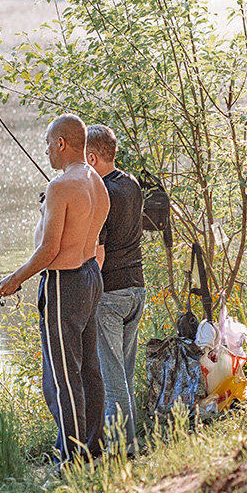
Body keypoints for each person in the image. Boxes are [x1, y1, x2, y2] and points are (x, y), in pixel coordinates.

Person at [0, 114, 110, 463]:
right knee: (89, 369)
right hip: (92, 275)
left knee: (62, 376)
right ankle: (93, 447)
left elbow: (49, 250)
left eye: (48, 143)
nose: (46, 151)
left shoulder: (61, 187)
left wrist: (15, 279)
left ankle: (73, 458)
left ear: (61, 143)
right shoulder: (96, 180)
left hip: (64, 283)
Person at [85, 124, 146, 455]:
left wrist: (88, 292)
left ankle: (124, 448)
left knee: (111, 380)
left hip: (111, 296)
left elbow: (99, 252)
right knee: (123, 373)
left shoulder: (101, 194)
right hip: (137, 289)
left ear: (92, 157)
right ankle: (128, 440)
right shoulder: (131, 183)